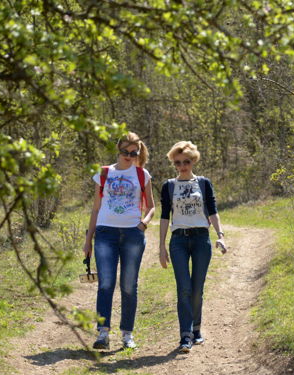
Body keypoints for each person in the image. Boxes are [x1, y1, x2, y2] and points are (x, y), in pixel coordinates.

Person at [82, 132, 155, 350]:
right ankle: (103, 334)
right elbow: (95, 208)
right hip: (105, 233)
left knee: (129, 285)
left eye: (134, 152)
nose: (129, 156)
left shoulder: (142, 174)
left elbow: (151, 206)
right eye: (125, 151)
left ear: (138, 152)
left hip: (132, 234)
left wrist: (144, 223)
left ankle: (127, 334)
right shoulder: (104, 173)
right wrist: (88, 241)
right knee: (105, 283)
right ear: (118, 149)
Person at [159, 141, 227, 353]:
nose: (182, 166)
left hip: (201, 239)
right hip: (178, 240)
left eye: (186, 161)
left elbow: (213, 210)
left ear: (193, 160)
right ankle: (185, 335)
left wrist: (221, 235)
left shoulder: (204, 183)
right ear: (174, 163)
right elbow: (164, 217)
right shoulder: (169, 186)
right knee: (184, 289)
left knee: (197, 289)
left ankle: (196, 329)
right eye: (178, 162)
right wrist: (161, 246)